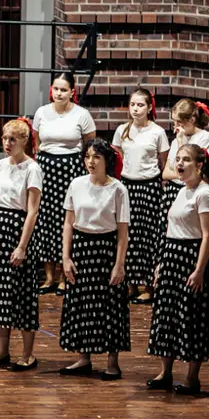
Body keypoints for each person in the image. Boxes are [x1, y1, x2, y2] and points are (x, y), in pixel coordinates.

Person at [148, 143, 209, 397]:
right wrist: (161, 263)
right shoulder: (181, 191)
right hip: (172, 256)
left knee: (192, 316)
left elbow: (208, 236)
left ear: (199, 165)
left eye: (186, 159)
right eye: (178, 159)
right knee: (167, 314)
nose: (179, 163)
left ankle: (192, 378)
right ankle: (165, 372)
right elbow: (171, 229)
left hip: (190, 258)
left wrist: (199, 270)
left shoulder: (205, 194)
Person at [0, 119, 43, 372]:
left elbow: (32, 211)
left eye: (12, 139)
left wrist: (22, 246)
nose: (7, 143)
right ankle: (3, 350)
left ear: (24, 140)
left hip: (16, 229)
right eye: (5, 138)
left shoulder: (32, 168)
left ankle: (27, 354)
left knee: (21, 293)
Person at [58, 140, 131, 379]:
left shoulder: (118, 189)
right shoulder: (76, 184)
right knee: (81, 303)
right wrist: (66, 257)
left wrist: (119, 264)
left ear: (106, 161)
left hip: (106, 249)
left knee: (110, 305)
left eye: (96, 157)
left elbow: (123, 232)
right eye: (88, 156)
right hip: (82, 248)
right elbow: (68, 223)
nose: (90, 162)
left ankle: (112, 362)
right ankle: (83, 357)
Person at [30, 73, 97, 293]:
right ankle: (49, 276)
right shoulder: (42, 112)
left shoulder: (82, 114)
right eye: (56, 89)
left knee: (66, 220)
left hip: (71, 170)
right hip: (46, 170)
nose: (58, 93)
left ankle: (63, 275)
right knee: (46, 220)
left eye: (63, 90)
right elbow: (37, 141)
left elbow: (90, 145)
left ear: (72, 92)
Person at [112, 88, 170, 305]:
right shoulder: (122, 130)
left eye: (140, 105)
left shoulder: (157, 132)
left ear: (149, 107)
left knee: (147, 236)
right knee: (128, 234)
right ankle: (130, 284)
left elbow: (163, 163)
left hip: (149, 187)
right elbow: (117, 160)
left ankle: (148, 285)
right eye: (133, 104)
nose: (135, 109)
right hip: (127, 185)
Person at [161, 98, 209, 232]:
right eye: (174, 121)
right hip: (172, 191)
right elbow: (165, 173)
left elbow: (193, 169)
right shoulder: (175, 141)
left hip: (192, 191)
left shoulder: (204, 137)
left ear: (191, 120)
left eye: (179, 122)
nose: (175, 126)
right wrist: (180, 174)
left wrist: (181, 142)